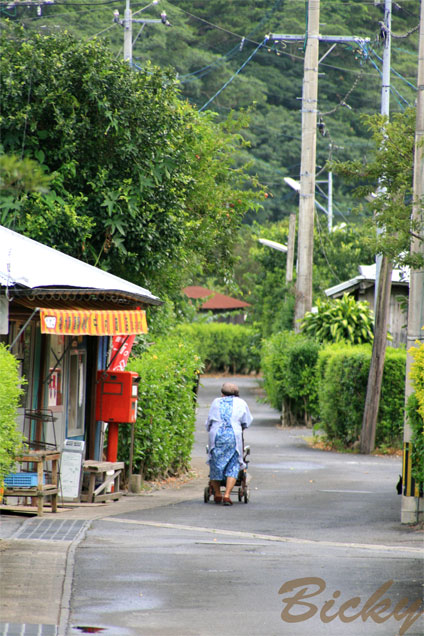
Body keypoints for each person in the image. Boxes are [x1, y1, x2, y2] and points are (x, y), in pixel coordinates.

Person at [205, 382, 253, 506]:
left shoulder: (216, 402)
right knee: (233, 464)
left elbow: (209, 421)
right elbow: (246, 421)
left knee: (215, 464)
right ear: (237, 394)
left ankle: (217, 493)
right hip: (233, 437)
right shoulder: (241, 403)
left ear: (222, 393)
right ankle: (227, 495)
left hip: (216, 437)